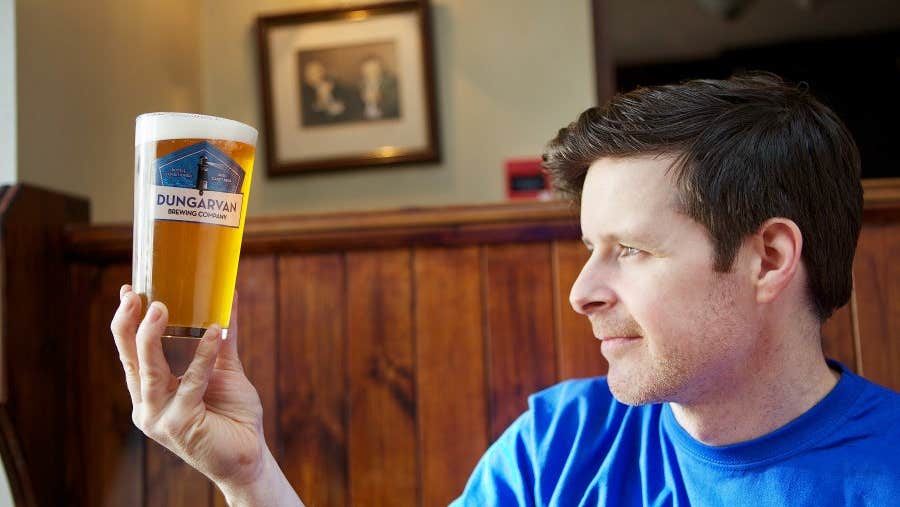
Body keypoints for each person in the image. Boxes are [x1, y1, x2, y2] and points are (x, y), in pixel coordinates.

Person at [110, 72, 900, 506]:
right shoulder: (560, 442)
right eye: (589, 248)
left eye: (629, 249)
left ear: (768, 259)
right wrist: (249, 477)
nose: (582, 291)